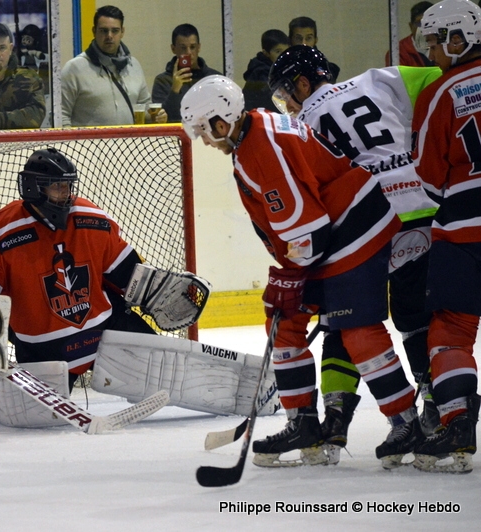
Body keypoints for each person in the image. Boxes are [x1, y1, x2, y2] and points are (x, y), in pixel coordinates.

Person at [180, 75, 420, 468]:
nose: (205, 141)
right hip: (337, 228)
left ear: (222, 122)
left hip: (350, 229)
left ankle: (406, 421)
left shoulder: (260, 149)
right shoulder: (255, 126)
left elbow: (308, 231)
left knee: (356, 328)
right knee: (285, 321)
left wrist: (288, 276)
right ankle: (303, 423)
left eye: (204, 131)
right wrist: (288, 276)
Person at [268, 45, 442, 462]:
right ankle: (436, 407)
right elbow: (443, 81)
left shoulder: (301, 124)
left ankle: (337, 419)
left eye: (286, 93)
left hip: (364, 222)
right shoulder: (381, 78)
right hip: (421, 206)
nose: (286, 104)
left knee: (344, 320)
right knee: (414, 317)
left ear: (304, 84)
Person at [0, 148, 159, 427]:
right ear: (34, 189)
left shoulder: (90, 216)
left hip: (103, 335)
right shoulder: (2, 229)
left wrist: (156, 294)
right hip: (43, 350)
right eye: (57, 187)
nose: (66, 194)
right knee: (33, 420)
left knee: (155, 357)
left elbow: (123, 270)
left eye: (68, 186)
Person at [410, 0, 481, 474]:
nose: (433, 51)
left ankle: (457, 431)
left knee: (451, 330)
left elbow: (429, 179)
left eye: (436, 41)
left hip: (463, 232)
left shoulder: (443, 92)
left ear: (460, 38)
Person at [61, 5, 167, 126]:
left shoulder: (134, 66)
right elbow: (61, 115)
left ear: (122, 32)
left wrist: (157, 117)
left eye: (115, 30)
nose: (109, 36)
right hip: (88, 145)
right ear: (94, 31)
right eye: (104, 30)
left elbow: (145, 109)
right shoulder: (74, 68)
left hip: (131, 144)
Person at [150, 23, 221, 123]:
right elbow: (164, 120)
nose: (188, 52)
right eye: (183, 48)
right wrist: (175, 90)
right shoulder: (162, 81)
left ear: (199, 47)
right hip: (176, 136)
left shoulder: (214, 79)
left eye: (192, 47)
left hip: (209, 136)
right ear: (173, 49)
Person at [242, 29, 289, 111]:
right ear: (265, 53)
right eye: (278, 51)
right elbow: (277, 104)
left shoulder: (279, 68)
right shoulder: (261, 73)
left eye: (286, 52)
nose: (283, 56)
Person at [288, 16, 341, 82]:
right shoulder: (282, 67)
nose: (303, 43)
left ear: (315, 40)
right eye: (298, 38)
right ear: (290, 40)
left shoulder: (328, 69)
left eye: (309, 38)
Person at [386, 2, 435, 66]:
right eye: (419, 24)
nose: (424, 28)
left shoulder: (445, 46)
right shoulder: (398, 52)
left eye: (429, 23)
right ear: (411, 26)